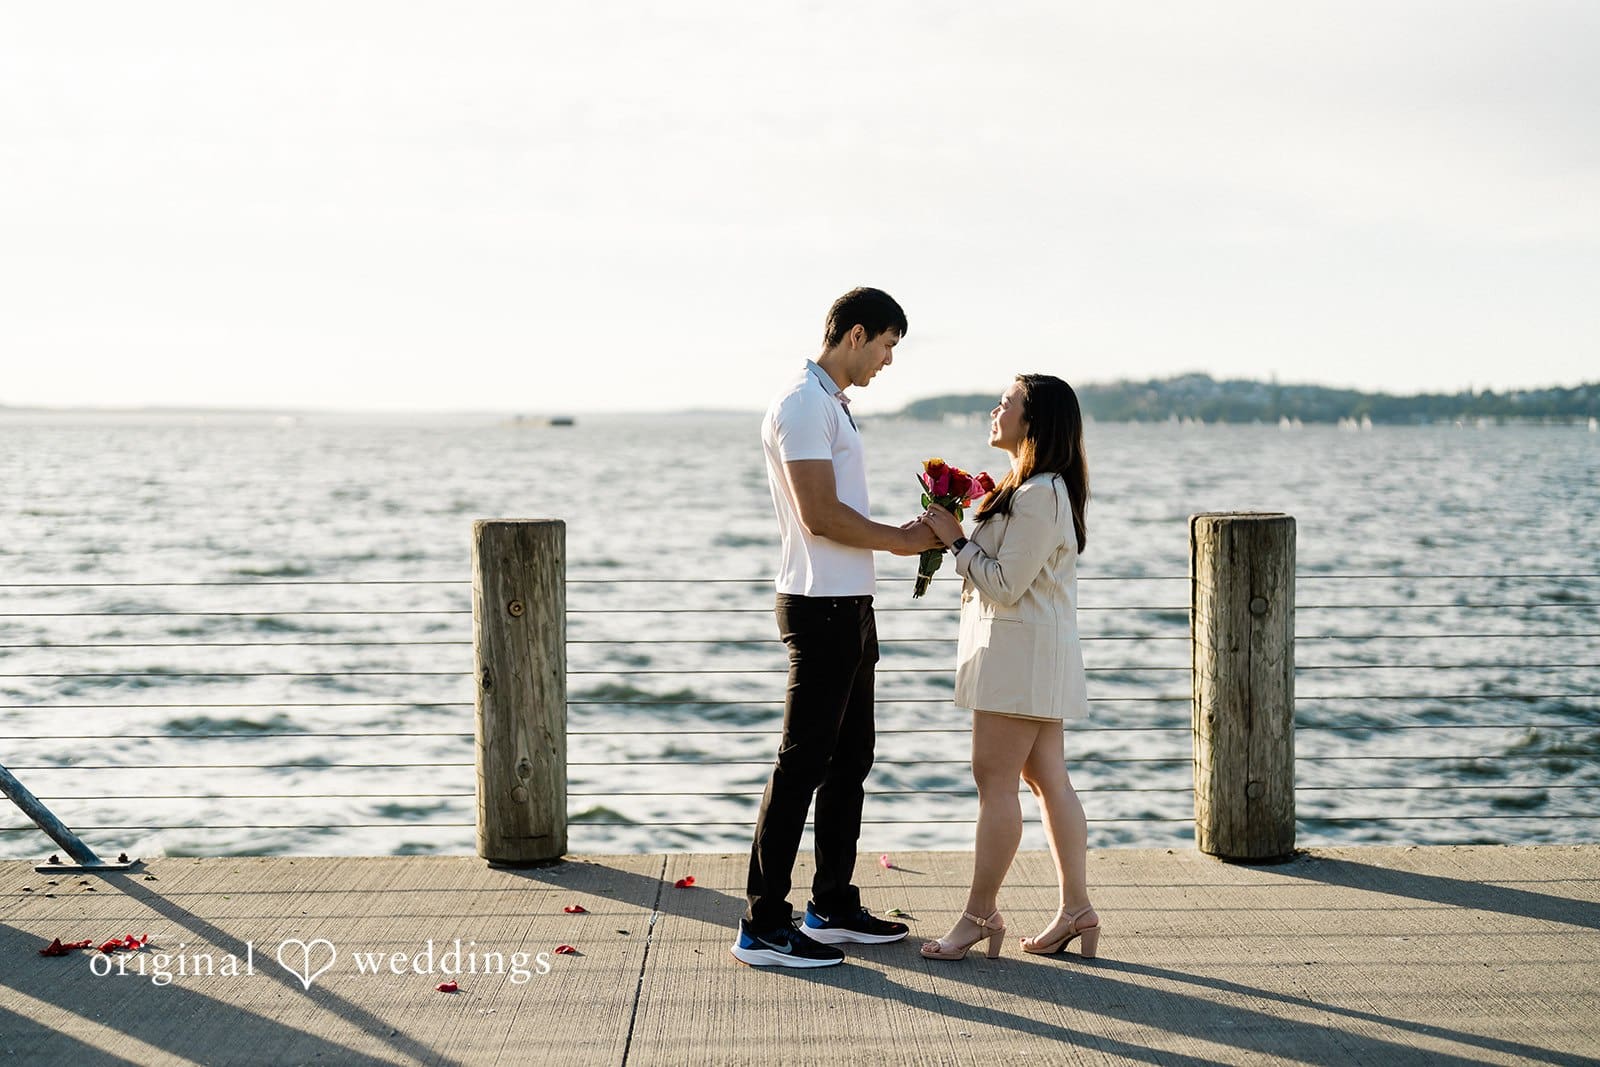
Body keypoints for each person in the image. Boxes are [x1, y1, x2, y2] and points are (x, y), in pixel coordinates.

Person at [731, 287, 943, 969]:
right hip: (818, 604)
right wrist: (901, 540)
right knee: (802, 764)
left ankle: (829, 905)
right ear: (856, 334)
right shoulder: (800, 402)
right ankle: (763, 924)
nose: (887, 360)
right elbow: (820, 515)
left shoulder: (832, 404)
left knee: (850, 761)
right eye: (886, 345)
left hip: (851, 603)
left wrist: (895, 541)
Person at [916, 373, 1098, 962]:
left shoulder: (1041, 492)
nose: (995, 408)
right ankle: (1076, 909)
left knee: (995, 784)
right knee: (1047, 779)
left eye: (1007, 402)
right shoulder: (1036, 489)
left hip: (1019, 661)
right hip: (1033, 656)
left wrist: (953, 540)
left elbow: (1004, 582)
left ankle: (979, 914)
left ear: (1034, 422)